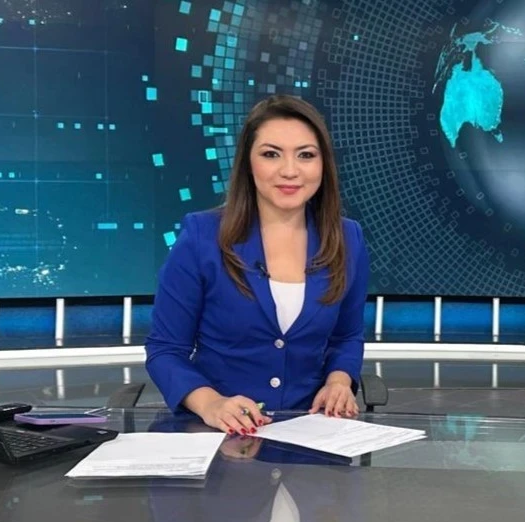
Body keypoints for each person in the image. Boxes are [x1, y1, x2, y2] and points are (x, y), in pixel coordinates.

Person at [146, 95, 369, 434]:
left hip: (312, 433)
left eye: (306, 155)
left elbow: (347, 337)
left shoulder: (348, 238)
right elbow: (165, 350)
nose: (290, 171)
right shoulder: (202, 236)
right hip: (219, 434)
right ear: (248, 163)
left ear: (323, 164)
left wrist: (338, 381)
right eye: (271, 154)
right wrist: (211, 403)